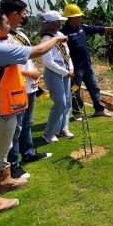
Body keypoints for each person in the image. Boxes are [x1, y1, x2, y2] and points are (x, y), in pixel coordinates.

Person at [0, 6, 67, 215]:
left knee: (1, 149)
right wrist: (56, 40)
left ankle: (5, 178)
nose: (9, 26)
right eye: (6, 23)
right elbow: (37, 51)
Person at [0, 0, 52, 181]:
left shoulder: (20, 35)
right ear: (14, 14)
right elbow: (5, 66)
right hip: (16, 88)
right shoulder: (4, 38)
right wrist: (28, 74)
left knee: (27, 123)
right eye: (24, 13)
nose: (26, 16)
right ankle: (13, 165)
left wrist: (33, 75)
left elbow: (26, 59)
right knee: (15, 128)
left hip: (29, 88)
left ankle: (28, 152)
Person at [60, 4, 113, 119]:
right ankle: (77, 112)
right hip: (74, 68)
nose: (81, 18)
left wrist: (109, 29)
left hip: (87, 65)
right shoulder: (63, 32)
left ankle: (99, 110)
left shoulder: (82, 27)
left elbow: (95, 28)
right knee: (75, 90)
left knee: (94, 87)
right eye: (79, 16)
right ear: (71, 17)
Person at [40, 11, 75, 143]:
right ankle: (49, 133)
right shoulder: (46, 39)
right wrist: (65, 72)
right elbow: (48, 62)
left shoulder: (59, 35)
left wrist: (70, 67)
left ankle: (63, 128)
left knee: (67, 102)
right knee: (60, 103)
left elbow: (67, 54)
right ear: (51, 23)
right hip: (54, 73)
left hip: (66, 71)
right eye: (58, 21)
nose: (61, 23)